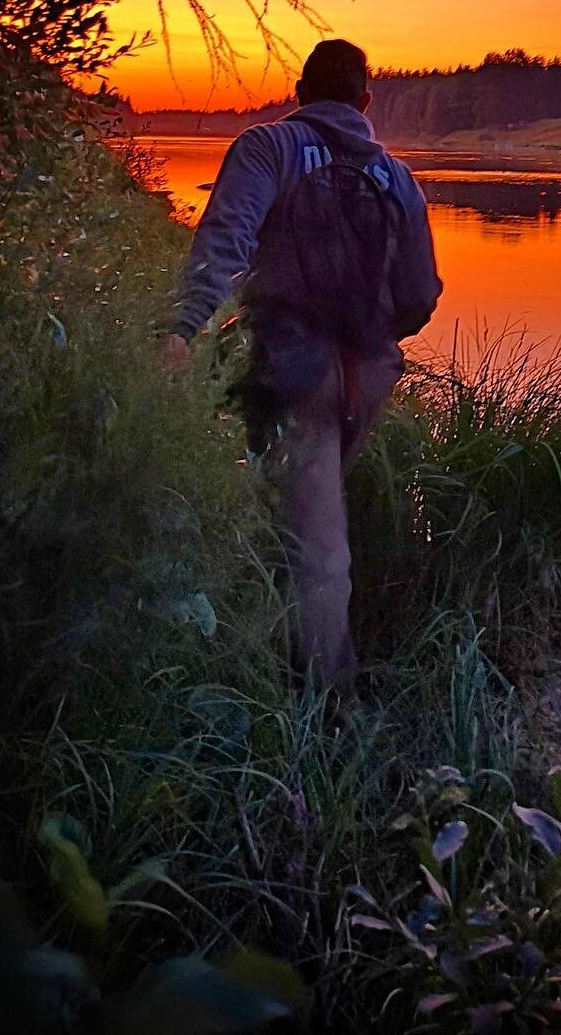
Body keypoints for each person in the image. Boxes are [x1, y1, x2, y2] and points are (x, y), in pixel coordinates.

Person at [161, 39, 442, 685]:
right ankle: (273, 637)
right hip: (366, 377)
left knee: (319, 549)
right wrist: (372, 342)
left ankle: (324, 710)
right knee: (304, 510)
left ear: (298, 91)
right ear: (365, 101)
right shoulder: (398, 178)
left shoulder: (267, 148)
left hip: (291, 371)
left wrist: (182, 327)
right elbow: (421, 298)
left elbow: (225, 241)